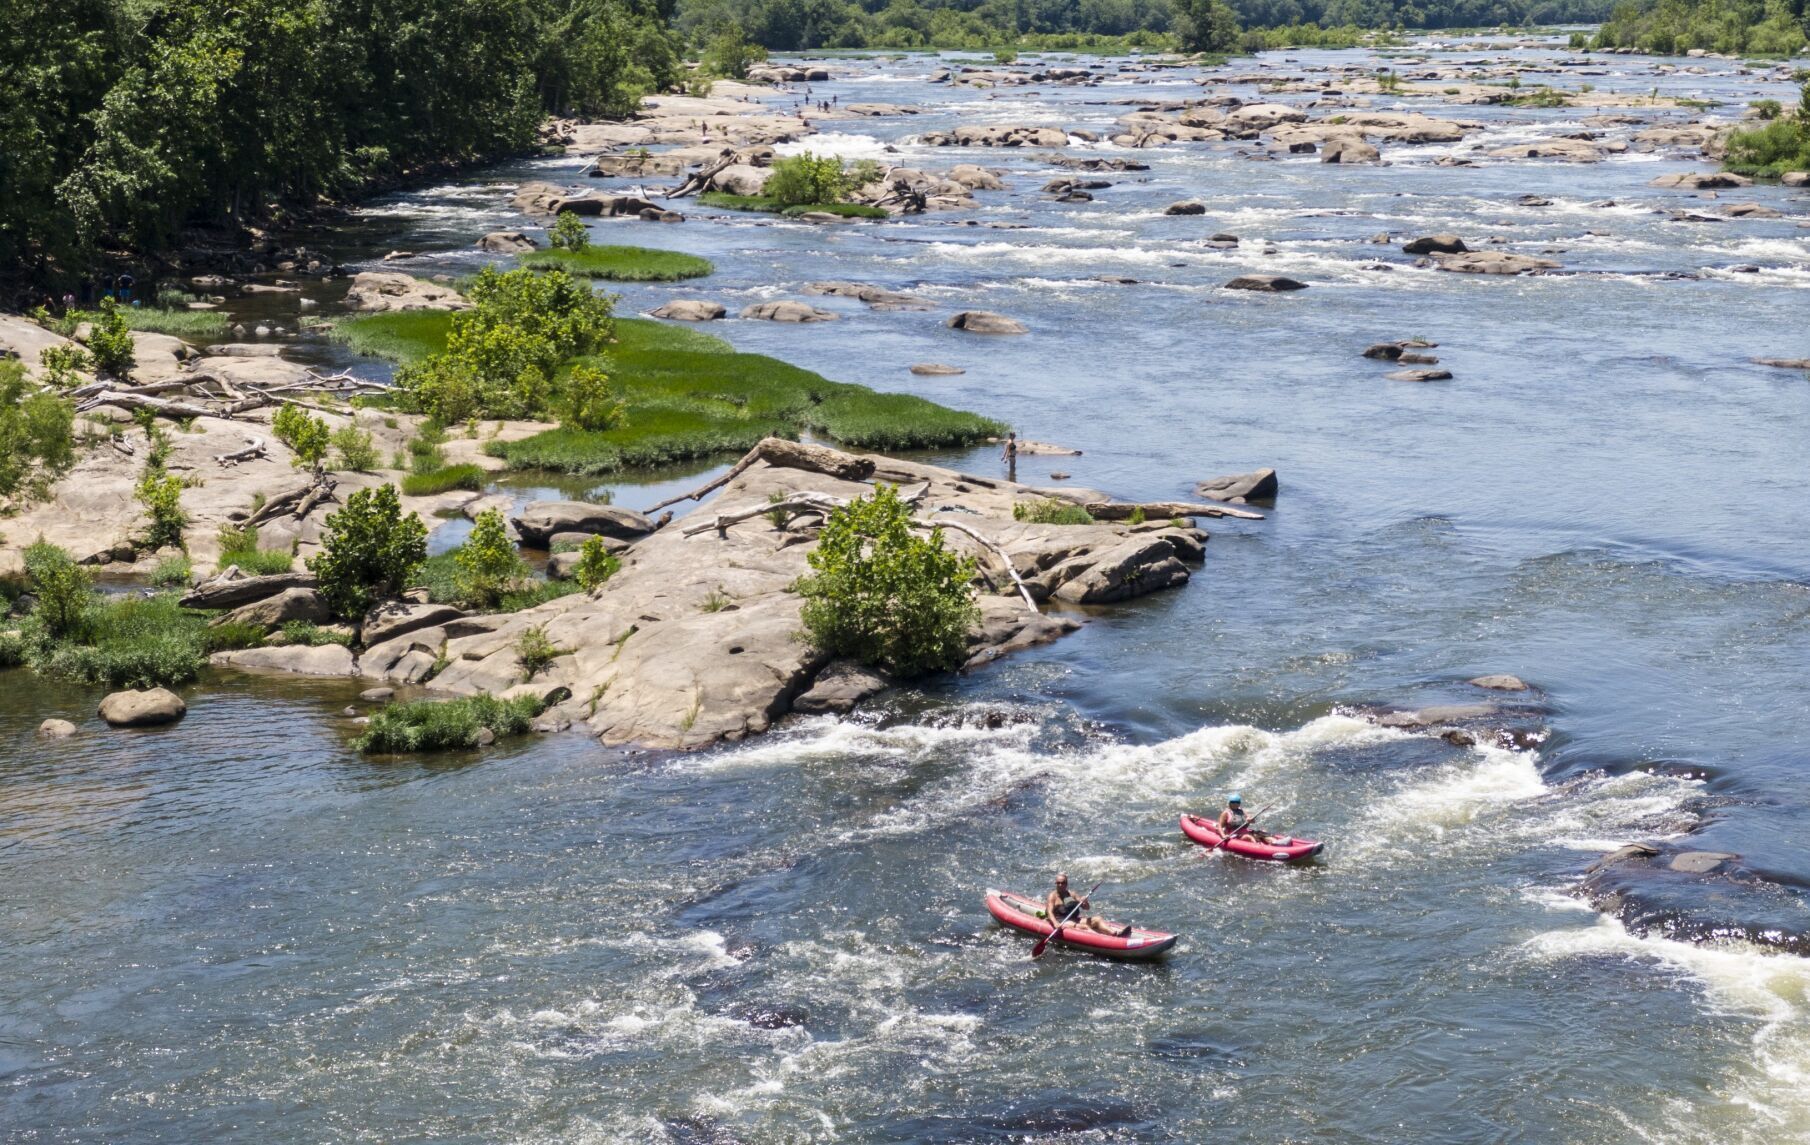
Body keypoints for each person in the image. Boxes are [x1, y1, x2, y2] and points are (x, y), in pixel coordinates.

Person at [1045, 873, 1131, 938]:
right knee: (1084, 927)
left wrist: (1084, 901)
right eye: (1058, 883)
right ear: (1055, 883)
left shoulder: (1072, 894)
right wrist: (1055, 923)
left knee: (1098, 919)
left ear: (1066, 884)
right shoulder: (1053, 896)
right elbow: (1049, 912)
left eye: (1063, 883)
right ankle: (1103, 939)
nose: (1060, 885)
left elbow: (1086, 908)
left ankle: (1115, 934)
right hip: (1061, 921)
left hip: (1074, 919)